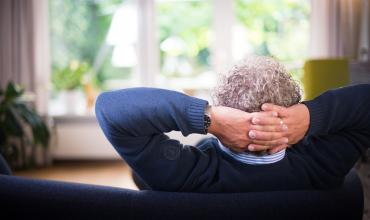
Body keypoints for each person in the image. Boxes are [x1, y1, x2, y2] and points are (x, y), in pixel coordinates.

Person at [95, 55, 370, 192]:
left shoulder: (186, 176)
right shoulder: (322, 168)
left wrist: (210, 120)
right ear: (290, 111)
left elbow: (109, 108)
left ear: (225, 111)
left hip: (187, 171)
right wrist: (310, 117)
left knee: (141, 174)